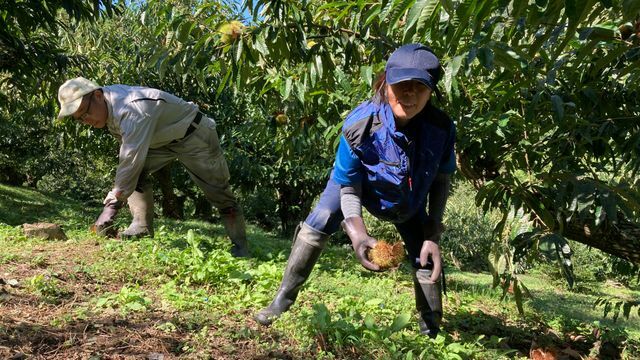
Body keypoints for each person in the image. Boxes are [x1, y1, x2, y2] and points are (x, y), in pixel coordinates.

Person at [254, 43, 456, 337]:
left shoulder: (442, 130)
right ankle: (281, 301)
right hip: (355, 186)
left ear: (431, 91)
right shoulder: (359, 125)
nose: (409, 94)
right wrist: (358, 234)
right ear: (386, 83)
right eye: (401, 85)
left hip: (404, 199)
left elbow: (441, 181)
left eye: (419, 87)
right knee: (322, 216)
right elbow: (348, 185)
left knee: (423, 251)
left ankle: (431, 324)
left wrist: (433, 234)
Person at [56, 78, 249, 257]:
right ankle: (141, 228)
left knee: (219, 193)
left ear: (98, 95)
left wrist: (111, 207)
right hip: (158, 141)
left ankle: (240, 246)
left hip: (193, 135)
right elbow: (130, 161)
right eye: (79, 118)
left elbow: (130, 158)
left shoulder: (131, 109)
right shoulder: (108, 108)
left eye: (86, 112)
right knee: (136, 174)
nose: (86, 120)